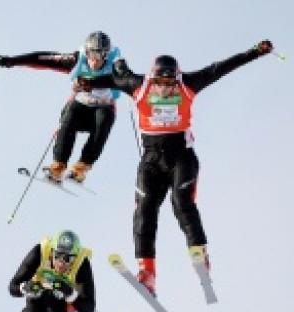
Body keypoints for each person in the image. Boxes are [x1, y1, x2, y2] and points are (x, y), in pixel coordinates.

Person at [79, 40, 273, 296]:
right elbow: (114, 80)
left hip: (181, 157)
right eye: (162, 84)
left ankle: (198, 252)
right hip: (150, 161)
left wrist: (254, 53)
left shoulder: (188, 85)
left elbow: (219, 69)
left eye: (171, 84)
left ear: (178, 79)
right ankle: (147, 271)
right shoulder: (140, 85)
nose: (166, 89)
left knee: (182, 203)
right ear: (153, 78)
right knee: (144, 210)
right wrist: (89, 83)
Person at [0, 31, 122, 184]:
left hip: (103, 109)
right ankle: (58, 167)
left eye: (98, 56)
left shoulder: (116, 67)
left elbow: (133, 84)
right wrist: (10, 61)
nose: (94, 60)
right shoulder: (77, 60)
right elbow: (42, 59)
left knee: (104, 118)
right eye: (90, 54)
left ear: (106, 55)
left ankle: (80, 169)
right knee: (70, 114)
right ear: (86, 51)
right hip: (81, 107)